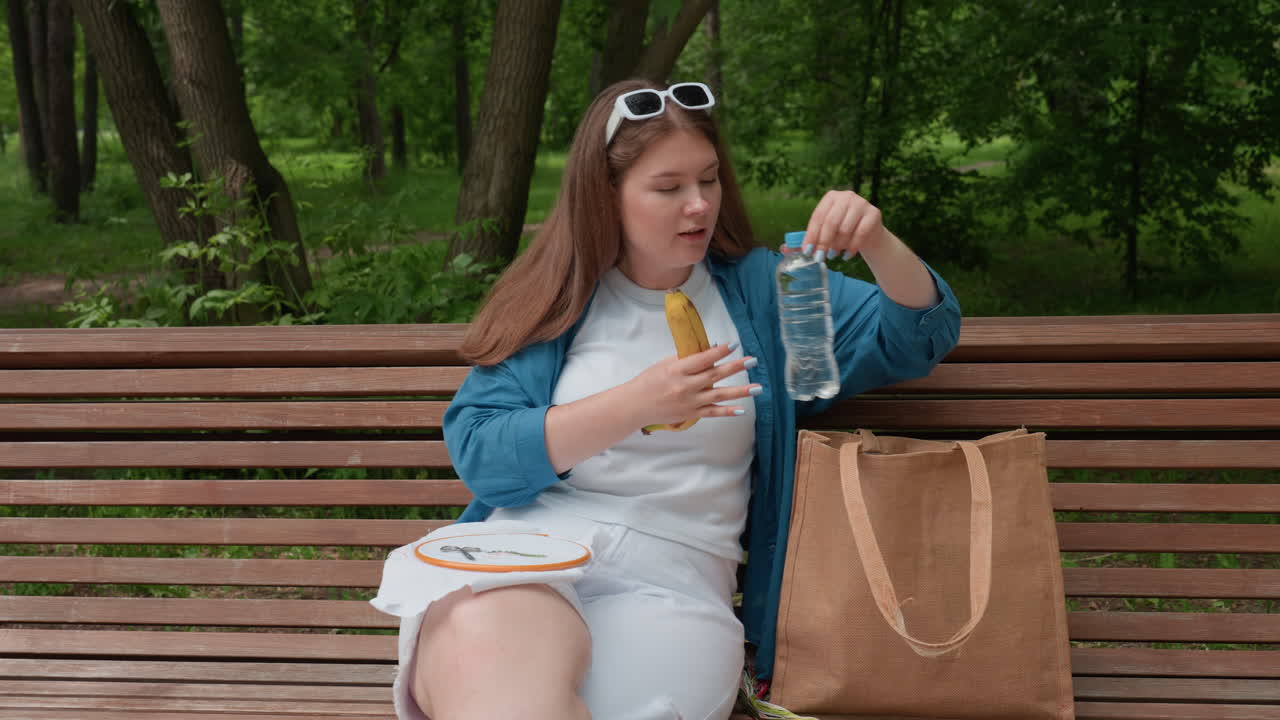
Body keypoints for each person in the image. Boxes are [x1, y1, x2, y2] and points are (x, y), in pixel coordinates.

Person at [371, 79, 962, 720]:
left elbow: (916, 337)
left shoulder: (765, 294)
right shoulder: (554, 296)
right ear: (607, 195)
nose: (698, 205)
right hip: (529, 553)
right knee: (497, 665)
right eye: (668, 187)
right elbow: (484, 454)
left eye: (708, 180)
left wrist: (876, 242)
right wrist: (635, 403)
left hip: (676, 579)